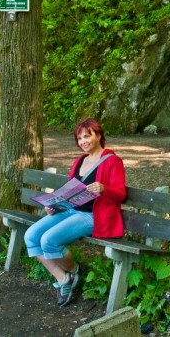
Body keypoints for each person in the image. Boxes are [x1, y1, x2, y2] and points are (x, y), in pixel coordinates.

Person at [24, 117, 126, 307]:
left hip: (93, 216)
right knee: (31, 236)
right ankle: (64, 278)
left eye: (87, 136)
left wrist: (104, 189)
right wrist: (53, 205)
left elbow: (120, 195)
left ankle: (74, 269)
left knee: (49, 241)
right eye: (79, 138)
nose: (83, 142)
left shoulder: (113, 161)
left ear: (99, 135)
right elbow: (69, 191)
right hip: (69, 210)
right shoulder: (80, 161)